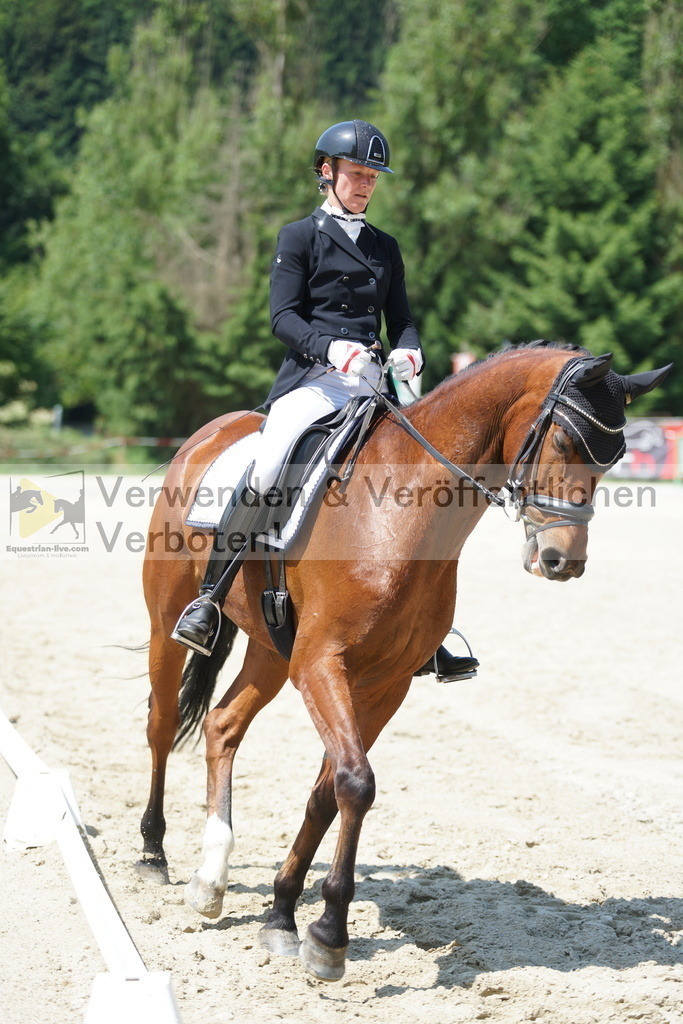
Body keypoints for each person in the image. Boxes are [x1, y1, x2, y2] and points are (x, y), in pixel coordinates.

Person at [172, 119, 479, 682]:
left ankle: (433, 627)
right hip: (313, 381)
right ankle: (211, 598)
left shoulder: (386, 247)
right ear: (327, 172)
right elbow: (282, 318)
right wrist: (331, 348)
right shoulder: (299, 237)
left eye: (372, 177)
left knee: (434, 476)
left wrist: (410, 351)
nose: (365, 185)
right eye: (356, 174)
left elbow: (403, 320)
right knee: (269, 464)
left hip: (374, 385)